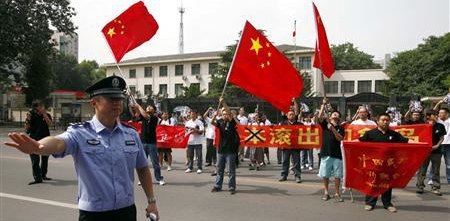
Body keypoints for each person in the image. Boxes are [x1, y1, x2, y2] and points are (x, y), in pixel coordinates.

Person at [5, 76, 159, 221]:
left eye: (119, 98)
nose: (117, 102)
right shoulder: (80, 132)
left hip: (126, 211)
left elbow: (143, 168)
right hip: (94, 214)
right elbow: (59, 142)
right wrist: (39, 147)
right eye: (111, 98)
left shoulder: (131, 134)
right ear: (94, 103)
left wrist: (151, 201)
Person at [359, 113, 409, 213]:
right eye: (383, 120)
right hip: (373, 164)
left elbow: (406, 141)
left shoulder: (394, 134)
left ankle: (387, 204)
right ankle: (370, 203)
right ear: (378, 121)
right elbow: (359, 142)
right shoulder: (370, 133)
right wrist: (345, 143)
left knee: (387, 184)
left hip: (388, 165)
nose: (385, 122)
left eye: (387, 120)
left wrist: (424, 143)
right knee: (372, 183)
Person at [317, 98, 345, 202]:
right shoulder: (325, 124)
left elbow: (340, 138)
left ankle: (337, 193)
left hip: (337, 154)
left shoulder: (341, 128)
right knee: (325, 174)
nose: (335, 115)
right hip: (326, 153)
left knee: (337, 176)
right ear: (331, 116)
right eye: (334, 114)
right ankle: (326, 192)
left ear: (339, 118)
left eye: (337, 115)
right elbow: (319, 118)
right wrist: (323, 105)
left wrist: (333, 129)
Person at [211, 97, 239, 194]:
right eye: (223, 114)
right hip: (221, 150)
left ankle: (232, 187)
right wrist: (214, 116)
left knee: (231, 171)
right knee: (220, 170)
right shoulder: (220, 122)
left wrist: (223, 102)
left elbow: (229, 112)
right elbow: (212, 122)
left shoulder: (232, 122)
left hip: (230, 151)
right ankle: (218, 186)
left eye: (226, 113)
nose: (224, 115)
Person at [133, 103, 166, 186]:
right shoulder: (143, 117)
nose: (148, 107)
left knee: (155, 162)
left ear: (154, 110)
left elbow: (145, 115)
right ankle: (142, 179)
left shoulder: (155, 118)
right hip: (143, 142)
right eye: (147, 106)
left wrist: (138, 105)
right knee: (142, 162)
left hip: (152, 143)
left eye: (150, 107)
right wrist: (136, 107)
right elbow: (137, 115)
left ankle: (159, 178)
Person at [416, 110, 446, 195]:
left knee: (436, 170)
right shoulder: (423, 125)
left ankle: (435, 187)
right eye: (435, 115)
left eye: (436, 115)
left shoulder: (440, 126)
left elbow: (442, 138)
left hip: (436, 151)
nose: (436, 116)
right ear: (428, 116)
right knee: (422, 170)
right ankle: (420, 186)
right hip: (424, 151)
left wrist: (437, 145)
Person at [25, 100, 53, 185]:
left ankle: (43, 175)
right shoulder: (32, 116)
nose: (42, 108)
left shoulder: (47, 115)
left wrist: (44, 114)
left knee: (45, 159)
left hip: (46, 140)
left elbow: (50, 125)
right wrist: (28, 119)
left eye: (43, 106)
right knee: (35, 160)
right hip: (34, 140)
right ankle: (37, 178)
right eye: (40, 106)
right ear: (36, 108)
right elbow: (27, 129)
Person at [279, 110, 303, 183]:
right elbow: (277, 131)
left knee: (296, 162)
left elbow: (306, 131)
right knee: (285, 161)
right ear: (287, 116)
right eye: (290, 114)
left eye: (293, 114)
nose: (291, 116)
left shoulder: (299, 124)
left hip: (296, 146)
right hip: (286, 145)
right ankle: (284, 175)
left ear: (295, 115)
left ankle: (297, 176)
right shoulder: (283, 124)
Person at [434, 99, 450, 184]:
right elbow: (433, 111)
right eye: (439, 113)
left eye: (441, 113)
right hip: (439, 145)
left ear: (446, 114)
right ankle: (431, 179)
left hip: (448, 145)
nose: (439, 114)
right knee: (435, 163)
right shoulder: (438, 121)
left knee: (449, 164)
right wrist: (438, 103)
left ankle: (449, 179)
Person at [185, 109, 205, 174]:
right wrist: (189, 131)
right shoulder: (188, 122)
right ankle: (190, 167)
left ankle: (199, 168)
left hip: (198, 142)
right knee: (190, 155)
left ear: (196, 115)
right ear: (190, 115)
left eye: (194, 114)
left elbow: (202, 131)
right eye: (191, 114)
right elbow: (186, 131)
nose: (192, 115)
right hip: (190, 141)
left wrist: (195, 130)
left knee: (199, 155)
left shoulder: (199, 122)